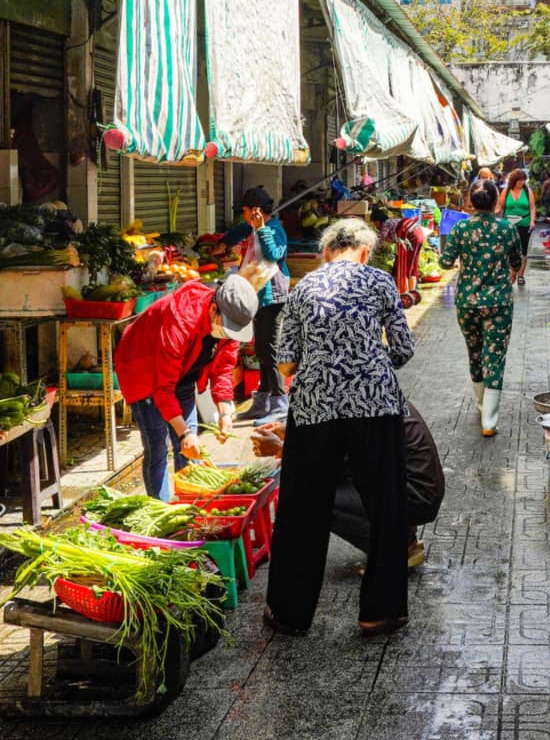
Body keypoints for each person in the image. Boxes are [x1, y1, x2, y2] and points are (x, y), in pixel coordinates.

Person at [265, 218, 414, 639]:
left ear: (326, 251)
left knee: (302, 507)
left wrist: (324, 364)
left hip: (314, 409)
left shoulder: (303, 288)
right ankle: (379, 613)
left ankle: (290, 614)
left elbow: (286, 363)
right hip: (375, 406)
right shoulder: (380, 282)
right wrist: (367, 363)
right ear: (365, 251)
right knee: (385, 505)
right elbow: (403, 349)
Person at [114, 276, 258, 501]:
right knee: (158, 446)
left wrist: (225, 411)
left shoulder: (232, 322)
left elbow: (223, 368)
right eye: (227, 328)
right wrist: (185, 433)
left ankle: (192, 509)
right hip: (144, 369)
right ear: (213, 309)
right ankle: (159, 509)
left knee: (191, 449)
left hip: (184, 374)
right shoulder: (182, 318)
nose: (230, 335)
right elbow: (163, 388)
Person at [251, 402, 445, 569]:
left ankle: (397, 547)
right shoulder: (366, 389)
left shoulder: (359, 405)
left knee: (309, 495)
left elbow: (328, 461)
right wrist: (291, 432)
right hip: (410, 488)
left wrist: (283, 450)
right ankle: (399, 533)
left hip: (415, 496)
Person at [439, 179, 522, 437]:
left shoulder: (460, 228)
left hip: (467, 302)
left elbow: (444, 262)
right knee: (494, 357)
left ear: (470, 203)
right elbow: (516, 262)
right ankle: (489, 420)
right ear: (497, 202)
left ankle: (479, 402)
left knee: (474, 352)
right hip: (498, 303)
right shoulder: (507, 228)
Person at [216, 186, 291, 425]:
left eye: (246, 211)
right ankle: (262, 404)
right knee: (262, 350)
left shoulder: (274, 229)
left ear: (256, 211)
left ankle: (280, 404)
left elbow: (273, 255)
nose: (244, 216)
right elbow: (239, 230)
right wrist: (223, 243)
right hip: (257, 294)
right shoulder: (250, 226)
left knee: (270, 350)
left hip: (273, 297)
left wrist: (261, 229)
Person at [497, 168, 536, 286]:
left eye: (524, 180)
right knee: (509, 249)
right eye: (520, 181)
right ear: (514, 180)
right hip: (508, 224)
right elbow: (501, 207)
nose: (522, 183)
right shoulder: (506, 191)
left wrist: (532, 221)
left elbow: (532, 207)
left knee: (523, 250)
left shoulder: (527, 190)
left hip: (524, 222)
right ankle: (511, 271)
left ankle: (520, 275)